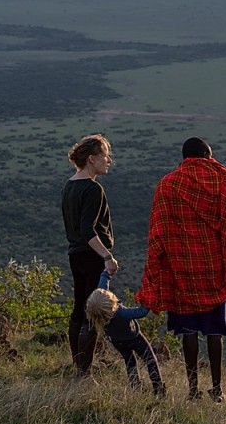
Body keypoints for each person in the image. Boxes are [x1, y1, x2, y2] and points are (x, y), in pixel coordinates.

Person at [136, 137, 226, 402]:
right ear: (207, 156)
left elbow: (158, 232)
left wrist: (157, 268)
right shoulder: (223, 181)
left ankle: (192, 390)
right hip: (214, 269)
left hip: (181, 268)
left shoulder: (167, 184)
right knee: (214, 330)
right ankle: (218, 389)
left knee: (187, 330)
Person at [62, 133, 118, 376]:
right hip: (91, 256)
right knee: (92, 314)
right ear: (92, 159)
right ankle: (83, 372)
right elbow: (88, 230)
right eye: (105, 155)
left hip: (75, 255)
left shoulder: (69, 185)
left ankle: (77, 366)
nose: (109, 160)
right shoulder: (93, 189)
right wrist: (107, 257)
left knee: (78, 309)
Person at [85, 269, 165, 395]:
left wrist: (106, 272)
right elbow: (141, 312)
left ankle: (135, 386)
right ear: (112, 303)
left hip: (118, 342)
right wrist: (149, 299)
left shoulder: (100, 315)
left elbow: (103, 287)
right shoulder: (121, 313)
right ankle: (158, 388)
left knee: (130, 362)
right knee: (150, 360)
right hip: (135, 338)